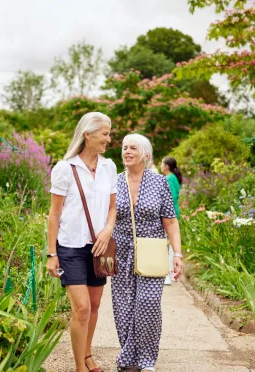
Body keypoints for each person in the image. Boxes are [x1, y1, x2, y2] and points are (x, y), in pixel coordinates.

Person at [46, 112, 117, 372]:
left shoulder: (109, 167)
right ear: (87, 135)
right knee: (82, 308)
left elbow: (112, 208)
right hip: (70, 247)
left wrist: (108, 230)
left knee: (96, 304)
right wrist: (51, 253)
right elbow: (54, 214)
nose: (109, 139)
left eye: (109, 133)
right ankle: (79, 367)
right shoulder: (65, 168)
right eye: (105, 134)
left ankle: (87, 354)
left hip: (98, 248)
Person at [111, 134, 183, 372]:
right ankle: (130, 357)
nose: (127, 151)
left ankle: (147, 359)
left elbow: (171, 222)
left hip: (151, 249)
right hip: (120, 251)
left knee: (148, 303)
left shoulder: (160, 183)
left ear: (146, 154)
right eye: (124, 148)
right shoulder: (114, 182)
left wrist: (178, 254)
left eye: (133, 148)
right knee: (123, 305)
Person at [160, 156, 182, 285]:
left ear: (166, 166)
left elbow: (171, 197)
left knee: (167, 245)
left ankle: (168, 274)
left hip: (168, 215)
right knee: (172, 245)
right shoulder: (173, 178)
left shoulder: (168, 178)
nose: (160, 166)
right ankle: (173, 273)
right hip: (174, 212)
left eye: (162, 164)